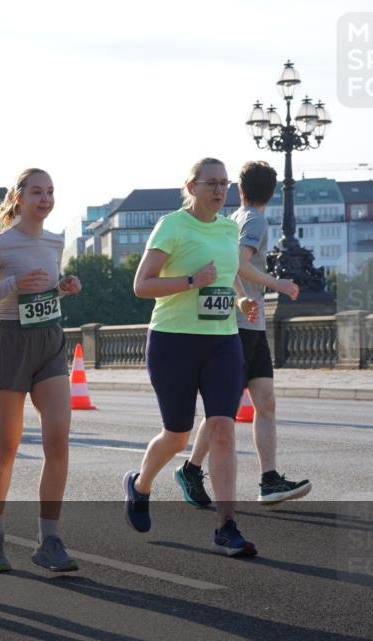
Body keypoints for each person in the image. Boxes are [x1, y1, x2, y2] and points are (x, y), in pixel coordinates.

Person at [124, 157, 259, 557]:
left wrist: (240, 300)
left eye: (225, 183)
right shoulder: (172, 226)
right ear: (191, 186)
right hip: (173, 340)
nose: (220, 190)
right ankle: (141, 484)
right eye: (211, 183)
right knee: (178, 434)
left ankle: (226, 525)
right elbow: (141, 285)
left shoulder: (228, 226)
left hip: (222, 340)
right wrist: (189, 281)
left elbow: (227, 273)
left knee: (222, 428)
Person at [0, 168, 82, 574]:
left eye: (50, 191)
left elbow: (44, 289)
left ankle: (49, 540)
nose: (45, 199)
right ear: (19, 198)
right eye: (37, 192)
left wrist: (63, 286)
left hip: (49, 340)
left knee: (58, 440)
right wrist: (11, 284)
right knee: (7, 447)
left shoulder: (55, 240)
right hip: (11, 342)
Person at [176, 160, 311, 507]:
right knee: (224, 410)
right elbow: (238, 261)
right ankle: (191, 469)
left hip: (250, 325)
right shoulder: (253, 219)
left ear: (239, 189)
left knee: (265, 402)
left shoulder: (236, 218)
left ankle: (269, 479)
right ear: (274, 191)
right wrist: (276, 283)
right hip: (237, 327)